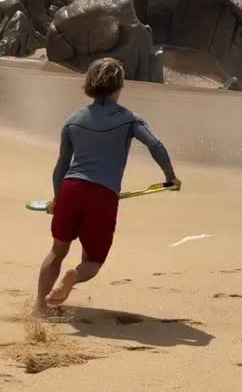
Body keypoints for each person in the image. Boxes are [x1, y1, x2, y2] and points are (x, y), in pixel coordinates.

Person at [36, 57, 180, 312]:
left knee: (57, 251)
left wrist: (57, 199)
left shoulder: (73, 120)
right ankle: (73, 277)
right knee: (92, 261)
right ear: (120, 85)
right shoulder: (130, 119)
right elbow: (155, 145)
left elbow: (61, 165)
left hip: (71, 188)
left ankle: (40, 307)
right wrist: (170, 176)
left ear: (89, 84)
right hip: (102, 195)